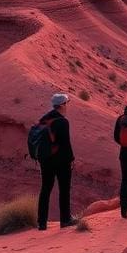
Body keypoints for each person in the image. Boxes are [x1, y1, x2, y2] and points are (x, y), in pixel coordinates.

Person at [36, 92, 77, 230]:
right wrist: (71, 159)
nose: (67, 106)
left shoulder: (43, 119)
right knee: (64, 189)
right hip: (60, 161)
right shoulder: (62, 121)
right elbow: (66, 143)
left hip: (45, 160)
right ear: (61, 105)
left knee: (45, 189)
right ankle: (65, 220)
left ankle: (41, 223)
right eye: (66, 103)